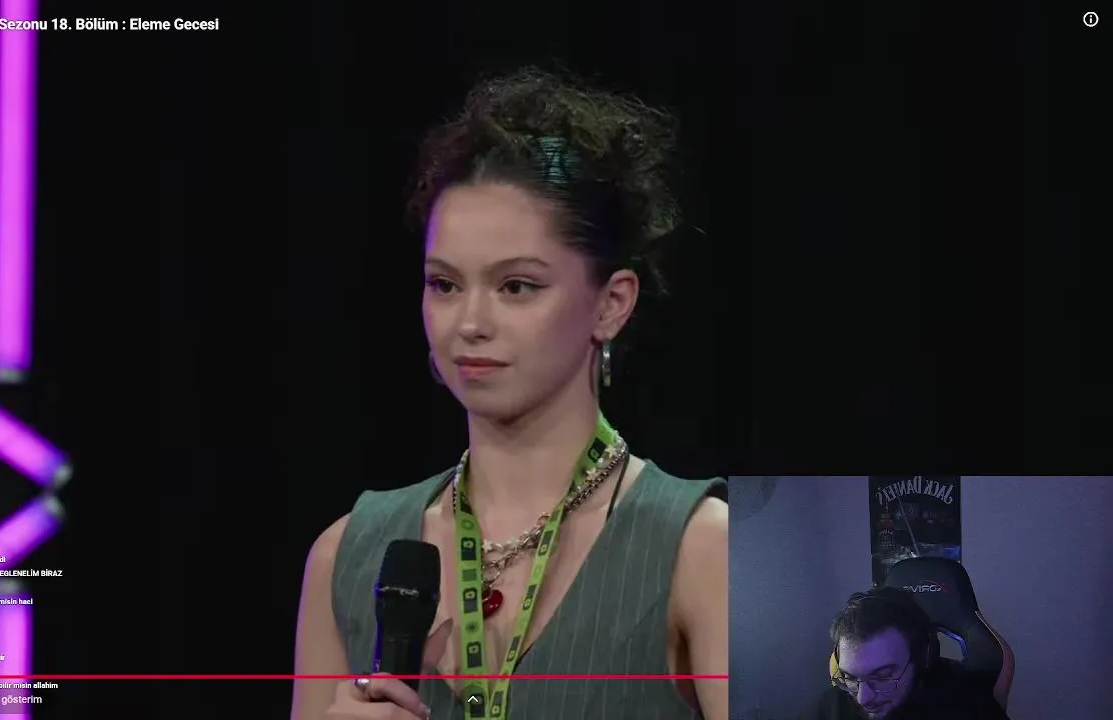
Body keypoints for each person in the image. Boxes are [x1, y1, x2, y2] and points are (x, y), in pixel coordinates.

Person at [291, 68, 727, 720]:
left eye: (516, 286)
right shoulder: (347, 554)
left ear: (611, 304)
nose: (469, 323)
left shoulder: (699, 548)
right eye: (444, 285)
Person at [796, 587, 1010, 720]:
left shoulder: (968, 706)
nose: (863, 698)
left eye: (882, 676)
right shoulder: (830, 707)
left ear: (922, 658)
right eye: (850, 677)